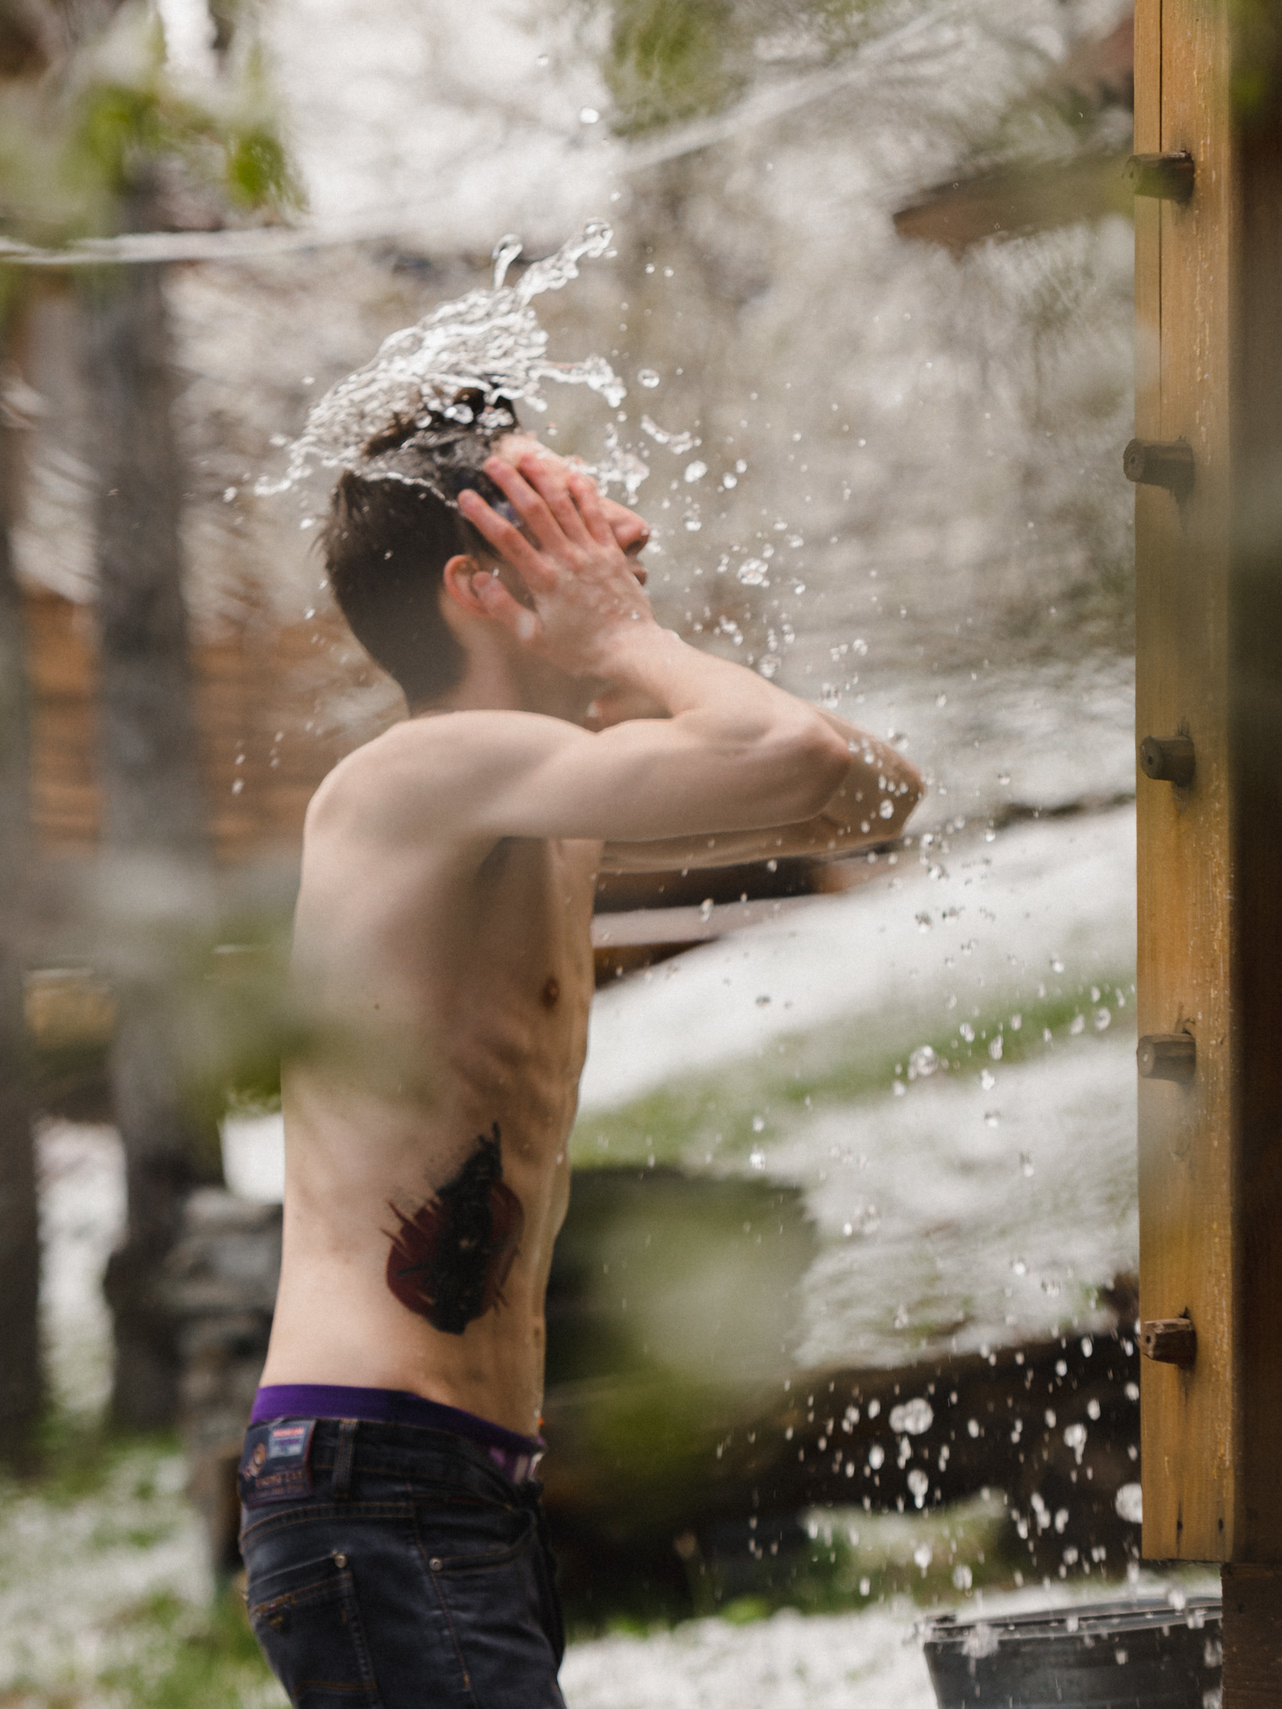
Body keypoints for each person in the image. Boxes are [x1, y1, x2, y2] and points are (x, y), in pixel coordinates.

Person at [238, 398, 922, 1707]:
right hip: (377, 1471)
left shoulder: (543, 791)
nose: (630, 533)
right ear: (479, 586)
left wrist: (630, 654)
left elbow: (875, 793)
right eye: (574, 520)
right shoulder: (417, 775)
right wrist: (633, 640)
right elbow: (796, 749)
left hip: (450, 1475)